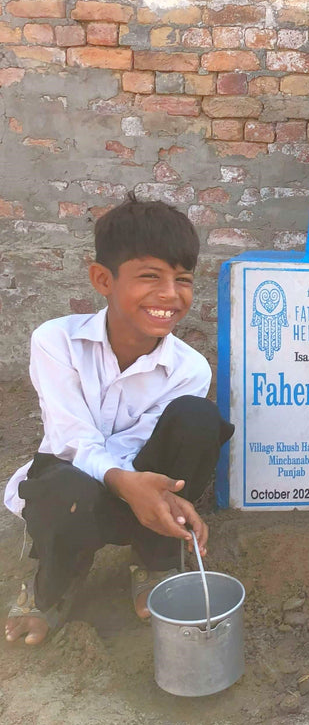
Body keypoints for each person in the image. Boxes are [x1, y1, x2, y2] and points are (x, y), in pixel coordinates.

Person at [4, 195, 234, 645]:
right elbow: (71, 438)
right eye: (150, 276)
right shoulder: (57, 342)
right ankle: (55, 581)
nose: (170, 294)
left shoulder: (189, 369)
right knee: (68, 489)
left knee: (199, 418)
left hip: (140, 488)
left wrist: (166, 498)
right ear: (102, 279)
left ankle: (157, 559)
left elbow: (151, 450)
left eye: (182, 279)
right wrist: (129, 484)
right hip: (69, 483)